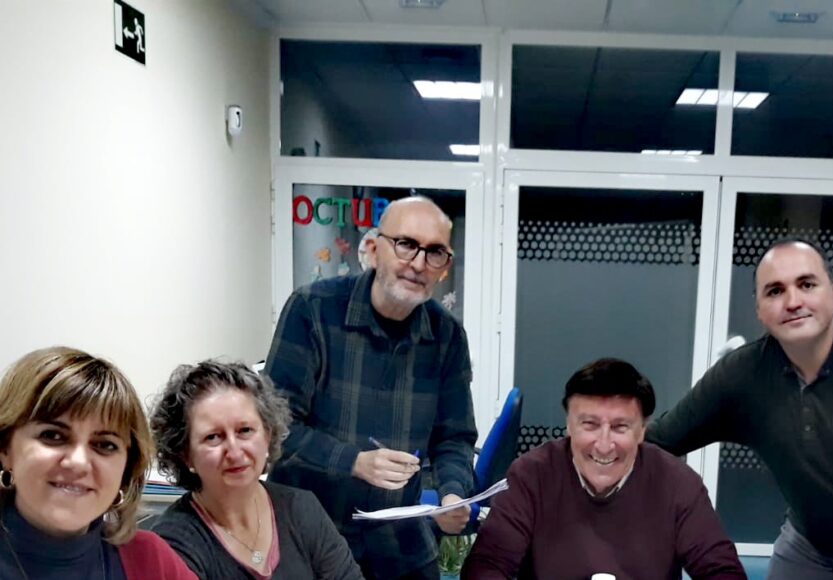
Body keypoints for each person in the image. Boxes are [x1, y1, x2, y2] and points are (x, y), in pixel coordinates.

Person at [645, 238, 833, 580]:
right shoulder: (740, 376)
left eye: (807, 284)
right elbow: (657, 441)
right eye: (775, 291)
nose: (793, 302)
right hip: (810, 549)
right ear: (759, 309)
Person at [265, 196, 478, 580]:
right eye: (406, 244)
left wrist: (451, 494)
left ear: (444, 267)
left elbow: (454, 437)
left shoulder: (446, 335)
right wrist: (355, 462)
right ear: (374, 249)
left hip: (399, 542)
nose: (418, 264)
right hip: (309, 538)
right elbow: (276, 428)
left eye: (434, 252)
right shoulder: (313, 309)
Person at [462, 358, 747, 580]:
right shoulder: (532, 474)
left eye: (620, 427)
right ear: (569, 425)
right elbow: (488, 565)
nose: (604, 445)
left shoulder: (677, 482)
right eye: (590, 425)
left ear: (642, 430)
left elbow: (721, 570)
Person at [149, 360, 364, 579]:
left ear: (268, 435)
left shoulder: (301, 508)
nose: (234, 452)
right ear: (185, 455)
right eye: (213, 437)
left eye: (245, 430)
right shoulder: (172, 544)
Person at [0, 346, 195, 580]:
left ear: (126, 469)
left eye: (105, 445)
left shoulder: (152, 560)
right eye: (53, 435)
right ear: (5, 449)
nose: (79, 462)